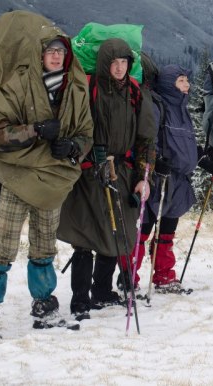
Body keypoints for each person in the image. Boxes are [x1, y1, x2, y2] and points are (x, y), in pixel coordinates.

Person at [0, 10, 93, 340]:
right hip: (18, 177)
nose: (56, 56)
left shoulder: (75, 90)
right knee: (4, 246)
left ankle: (45, 306)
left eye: (61, 52)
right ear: (40, 54)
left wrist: (71, 148)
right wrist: (35, 130)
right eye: (50, 51)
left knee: (44, 247)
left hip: (53, 178)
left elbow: (86, 134)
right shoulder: (17, 86)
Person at [56, 38, 155, 321]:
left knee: (118, 232)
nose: (120, 68)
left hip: (123, 172)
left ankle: (101, 291)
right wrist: (84, 156)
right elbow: (75, 126)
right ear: (105, 64)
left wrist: (142, 177)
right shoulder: (89, 88)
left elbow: (146, 140)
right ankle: (79, 298)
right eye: (115, 63)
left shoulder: (135, 94)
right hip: (89, 171)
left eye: (125, 63)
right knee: (87, 235)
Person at [129, 64, 197, 293]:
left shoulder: (183, 109)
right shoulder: (159, 106)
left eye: (187, 80)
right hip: (159, 178)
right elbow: (150, 137)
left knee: (167, 231)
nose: (186, 84)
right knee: (144, 230)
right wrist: (156, 163)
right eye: (181, 80)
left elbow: (185, 143)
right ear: (169, 83)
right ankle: (129, 277)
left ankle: (164, 275)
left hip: (178, 180)